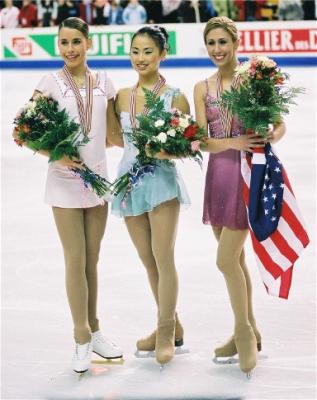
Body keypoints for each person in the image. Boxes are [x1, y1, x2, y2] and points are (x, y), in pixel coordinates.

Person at [13, 17, 123, 374]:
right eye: (64, 43)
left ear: (88, 42)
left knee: (92, 259)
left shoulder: (105, 82)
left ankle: (94, 329)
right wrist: (55, 154)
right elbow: (23, 131)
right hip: (63, 179)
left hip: (98, 181)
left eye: (76, 41)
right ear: (58, 45)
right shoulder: (50, 82)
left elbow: (114, 136)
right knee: (75, 259)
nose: (70, 49)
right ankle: (80, 337)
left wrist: (160, 134)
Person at [194, 16, 286, 374]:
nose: (217, 50)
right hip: (218, 174)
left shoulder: (255, 80)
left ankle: (244, 334)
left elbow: (279, 123)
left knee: (225, 260)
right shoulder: (202, 87)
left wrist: (271, 136)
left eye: (223, 42)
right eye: (211, 43)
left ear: (235, 42)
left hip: (250, 175)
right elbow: (202, 140)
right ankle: (247, 329)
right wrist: (232, 142)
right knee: (236, 260)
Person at [111, 25, 190, 367]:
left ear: (162, 54)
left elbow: (188, 145)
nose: (140, 58)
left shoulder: (175, 96)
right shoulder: (121, 96)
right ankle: (174, 325)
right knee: (147, 260)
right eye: (135, 51)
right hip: (129, 182)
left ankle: (164, 330)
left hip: (161, 184)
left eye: (147, 52)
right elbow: (114, 139)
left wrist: (165, 152)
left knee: (163, 257)